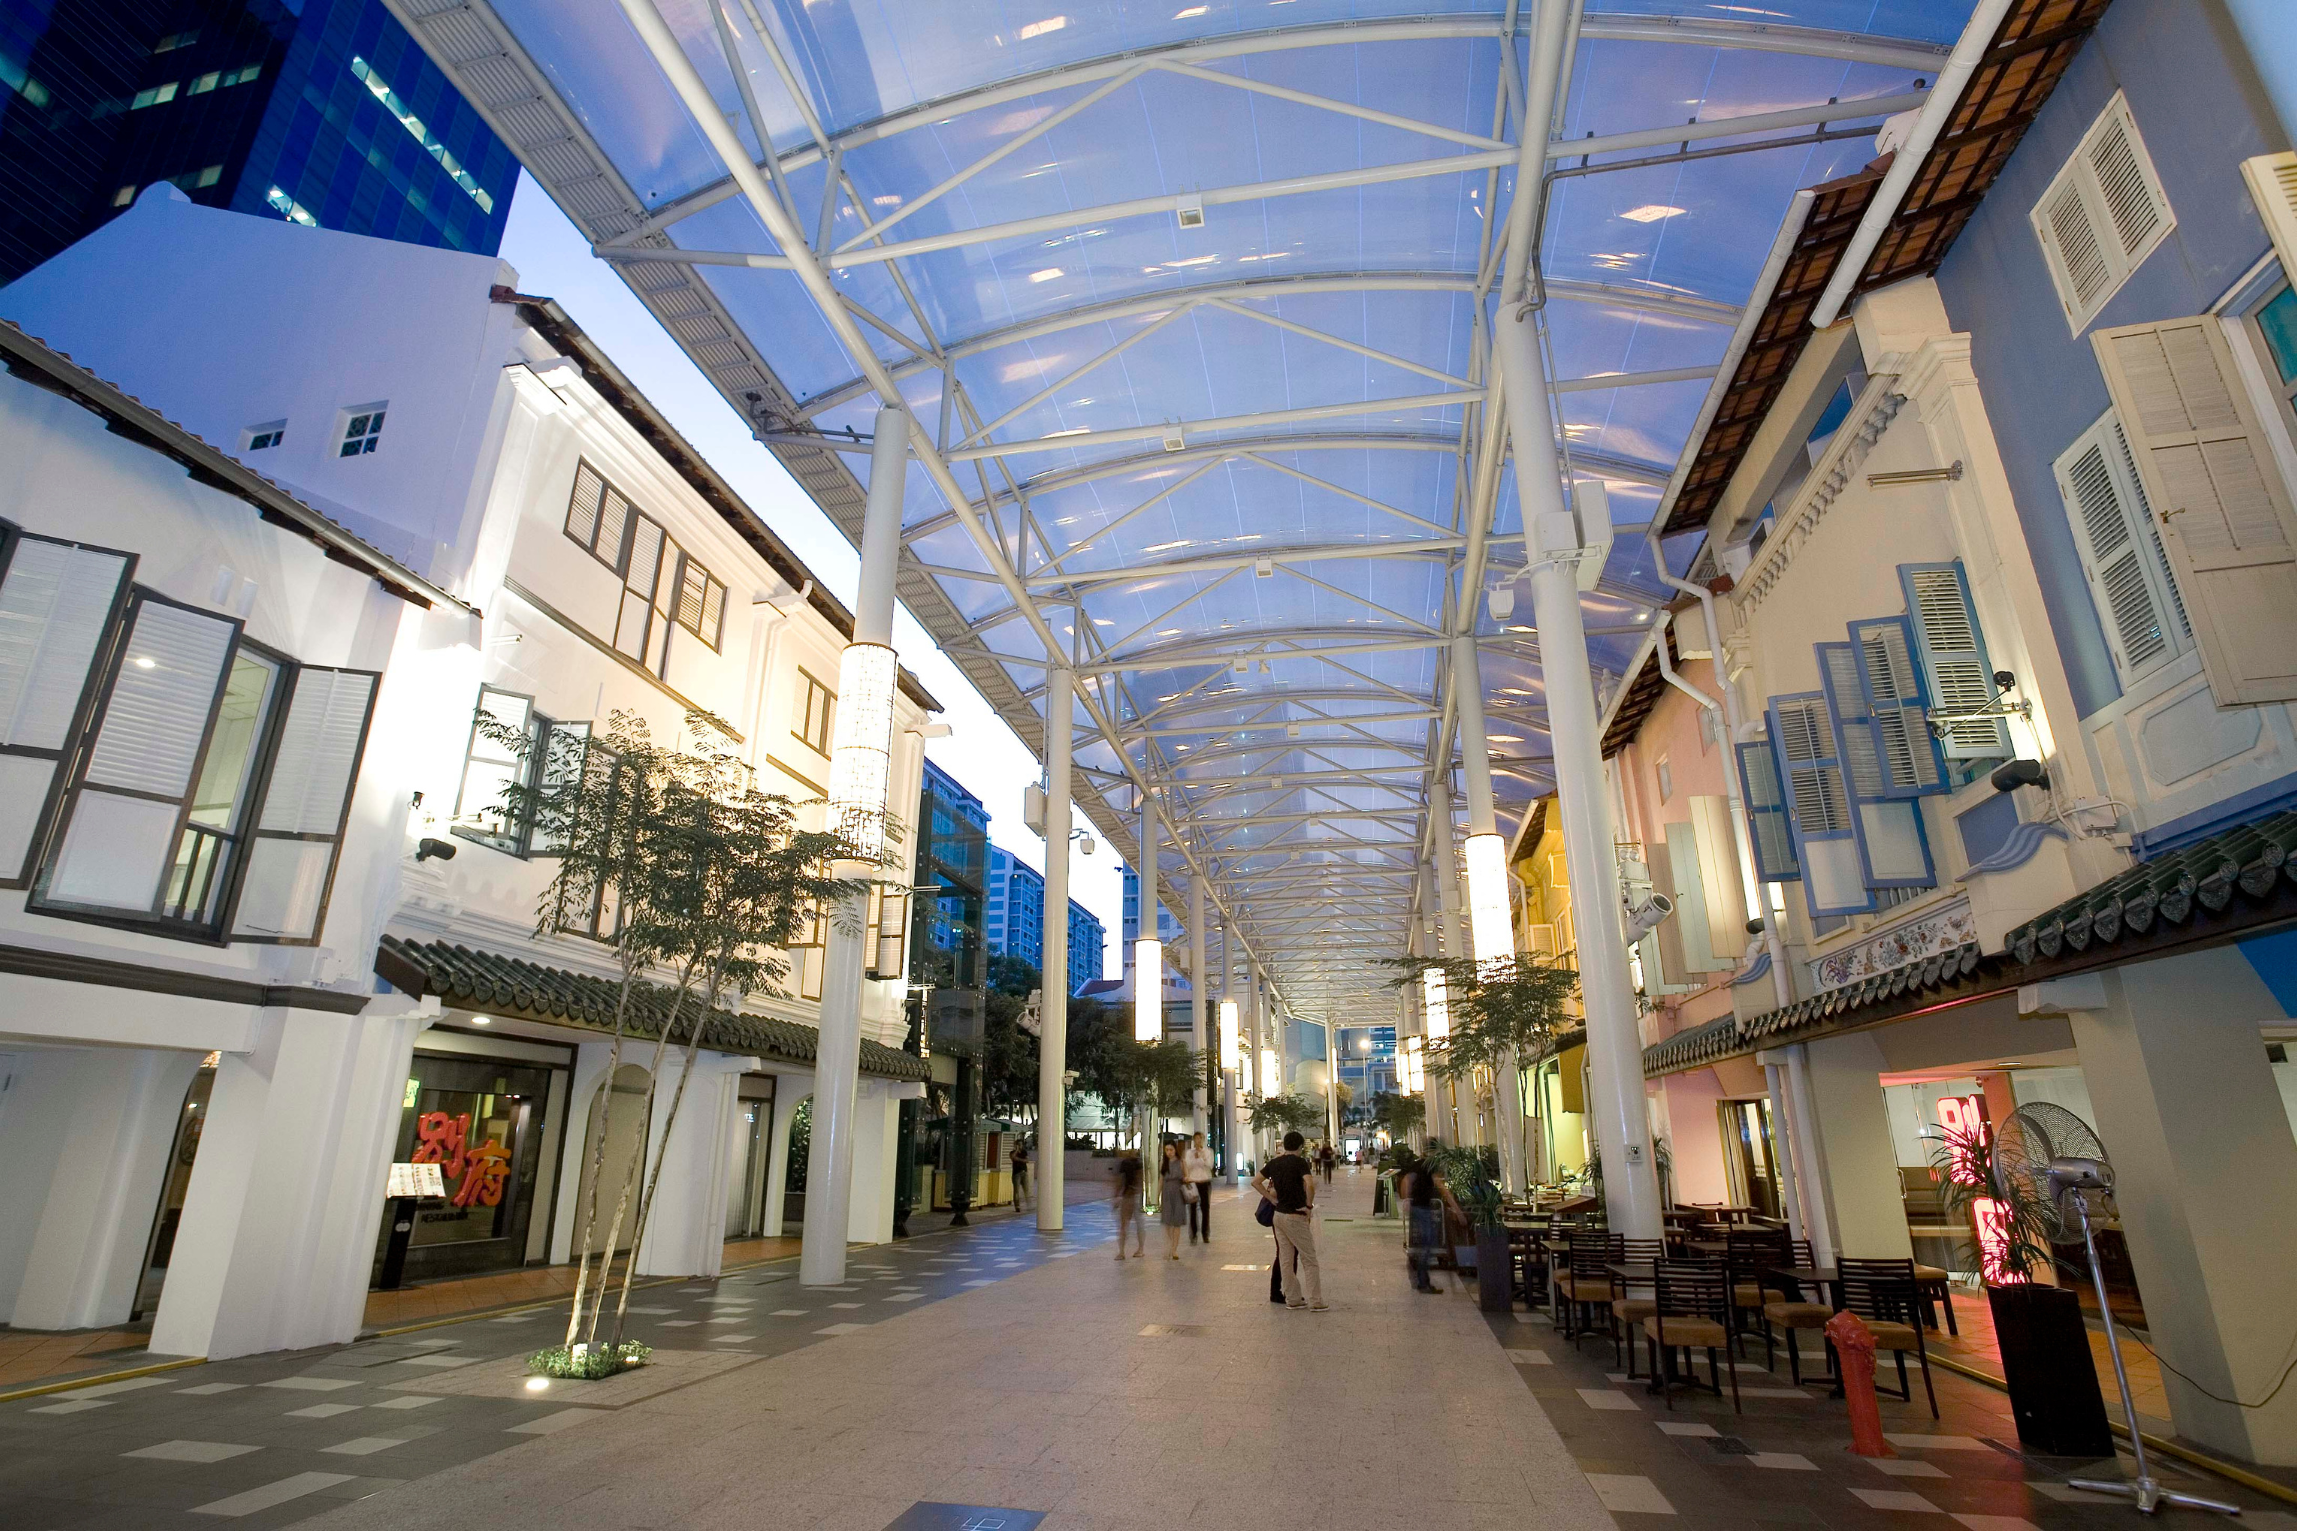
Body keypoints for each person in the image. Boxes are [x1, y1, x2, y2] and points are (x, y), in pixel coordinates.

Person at [1251, 1130, 1325, 1310]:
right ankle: (1316, 1301)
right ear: (1301, 1146)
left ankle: (1292, 1298)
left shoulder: (1275, 1163)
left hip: (1278, 1215)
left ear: (1284, 1145)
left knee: (1285, 1258)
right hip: (1295, 1215)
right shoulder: (1300, 1163)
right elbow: (1309, 1183)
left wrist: (1271, 1199)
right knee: (1309, 1259)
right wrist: (1308, 1205)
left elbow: (1256, 1182)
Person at [1398, 1151, 1449, 1294]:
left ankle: (1423, 1280)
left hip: (1417, 1207)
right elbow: (1441, 1186)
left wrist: (1407, 1199)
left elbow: (1407, 1179)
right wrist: (1456, 1209)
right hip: (1423, 1209)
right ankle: (1422, 1281)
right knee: (1428, 1244)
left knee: (1425, 1244)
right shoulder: (1430, 1166)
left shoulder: (1418, 1164)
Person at [1158, 1140, 1189, 1259]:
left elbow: (1187, 1175)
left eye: (1171, 1150)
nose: (1169, 1152)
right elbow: (1161, 1180)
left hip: (1178, 1192)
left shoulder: (1181, 1162)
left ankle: (1174, 1249)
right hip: (1166, 1193)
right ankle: (1171, 1245)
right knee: (1167, 1221)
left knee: (1177, 1222)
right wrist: (1157, 1195)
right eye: (1167, 1150)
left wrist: (1186, 1178)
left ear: (1175, 1150)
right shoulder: (1163, 1163)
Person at [1111, 1149, 1145, 1259]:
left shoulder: (1124, 1163)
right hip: (1134, 1195)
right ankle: (1140, 1249)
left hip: (1127, 1196)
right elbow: (1140, 1179)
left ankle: (1122, 1252)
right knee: (1138, 1223)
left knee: (1124, 1225)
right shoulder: (1137, 1164)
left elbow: (1120, 1181)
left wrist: (1116, 1196)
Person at [1182, 1131, 1214, 1243]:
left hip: (1204, 1181)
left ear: (1203, 1140)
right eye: (1196, 1139)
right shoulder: (1189, 1153)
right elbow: (1187, 1165)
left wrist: (1201, 1157)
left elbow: (1209, 1165)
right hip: (1193, 1181)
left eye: (1199, 1139)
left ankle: (1205, 1234)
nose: (1197, 1141)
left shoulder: (1208, 1152)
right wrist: (1194, 1158)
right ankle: (1193, 1234)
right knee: (1192, 1209)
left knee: (1205, 1208)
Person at [1011, 1137, 1031, 1213]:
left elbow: (1027, 1160)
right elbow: (1012, 1157)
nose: (1020, 1146)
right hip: (1016, 1173)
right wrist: (1016, 1151)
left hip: (1024, 1172)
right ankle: (1017, 1206)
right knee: (1016, 1190)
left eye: (1021, 1145)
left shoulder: (1024, 1152)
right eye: (1018, 1144)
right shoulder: (1012, 1152)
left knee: (1026, 1189)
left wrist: (1018, 1159)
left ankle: (1028, 1204)